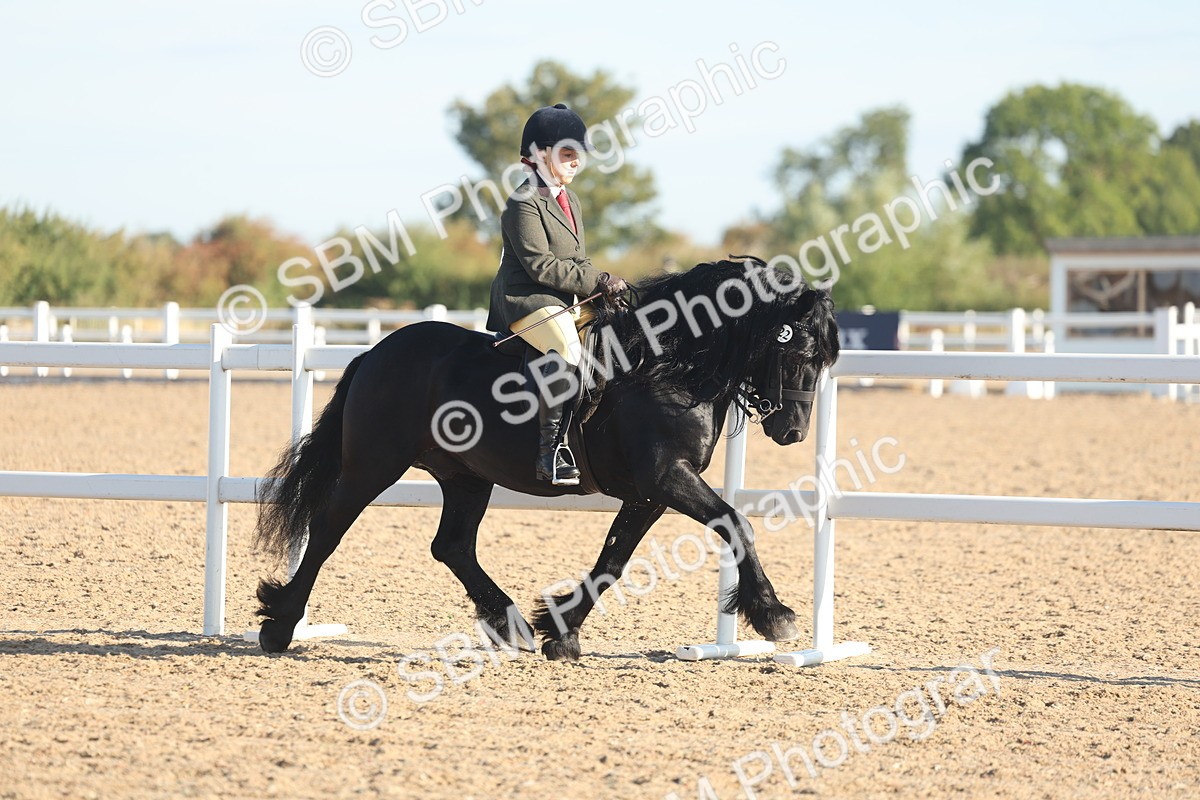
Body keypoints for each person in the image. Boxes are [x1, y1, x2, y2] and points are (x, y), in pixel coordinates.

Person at [485, 103, 627, 485]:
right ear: (537, 156)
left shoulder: (570, 200)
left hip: (565, 299)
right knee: (566, 348)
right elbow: (541, 267)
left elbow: (578, 259)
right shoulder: (522, 202)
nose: (576, 161)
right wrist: (596, 281)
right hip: (528, 300)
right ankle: (552, 451)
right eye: (568, 153)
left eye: (577, 154)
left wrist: (605, 284)